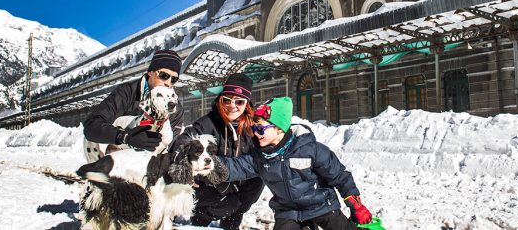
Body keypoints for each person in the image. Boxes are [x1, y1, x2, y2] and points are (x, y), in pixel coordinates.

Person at [211, 96, 373, 230]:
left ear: (279, 128)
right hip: (287, 211)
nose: (256, 134)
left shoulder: (310, 149)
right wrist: (211, 166)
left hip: (321, 205)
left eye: (260, 129)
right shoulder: (260, 156)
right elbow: (238, 166)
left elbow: (339, 176)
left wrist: (356, 205)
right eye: (254, 129)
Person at [170, 73, 264, 230]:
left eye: (239, 102)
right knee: (229, 203)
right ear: (221, 99)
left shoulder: (251, 128)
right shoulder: (208, 123)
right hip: (207, 184)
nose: (232, 106)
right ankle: (201, 217)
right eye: (227, 100)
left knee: (257, 181)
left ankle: (232, 221)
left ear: (247, 104)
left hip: (234, 180)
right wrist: (190, 171)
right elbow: (183, 141)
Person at [83, 49, 185, 151]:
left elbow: (169, 147)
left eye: (173, 79)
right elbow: (91, 125)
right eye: (164, 75)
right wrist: (124, 136)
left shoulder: (176, 109)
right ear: (151, 72)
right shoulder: (126, 92)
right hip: (109, 152)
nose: (168, 83)